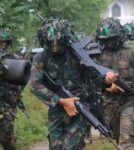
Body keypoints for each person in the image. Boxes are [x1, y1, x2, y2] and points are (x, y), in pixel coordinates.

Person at [30, 18, 118, 150]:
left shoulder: (77, 55)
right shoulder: (41, 57)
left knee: (72, 147)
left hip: (78, 107)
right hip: (57, 109)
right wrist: (61, 101)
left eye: (57, 41)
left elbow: (94, 75)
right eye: (51, 42)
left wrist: (106, 80)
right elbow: (35, 85)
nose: (54, 45)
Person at [96, 17, 134, 150]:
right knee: (118, 136)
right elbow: (91, 78)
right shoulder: (97, 54)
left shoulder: (133, 50)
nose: (108, 43)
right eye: (105, 40)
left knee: (127, 141)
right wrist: (107, 85)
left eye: (111, 39)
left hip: (130, 99)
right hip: (109, 102)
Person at [0, 30, 17, 150]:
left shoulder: (12, 59)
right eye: (0, 42)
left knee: (7, 136)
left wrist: (15, 94)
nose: (2, 45)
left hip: (6, 102)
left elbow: (21, 80)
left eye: (4, 42)